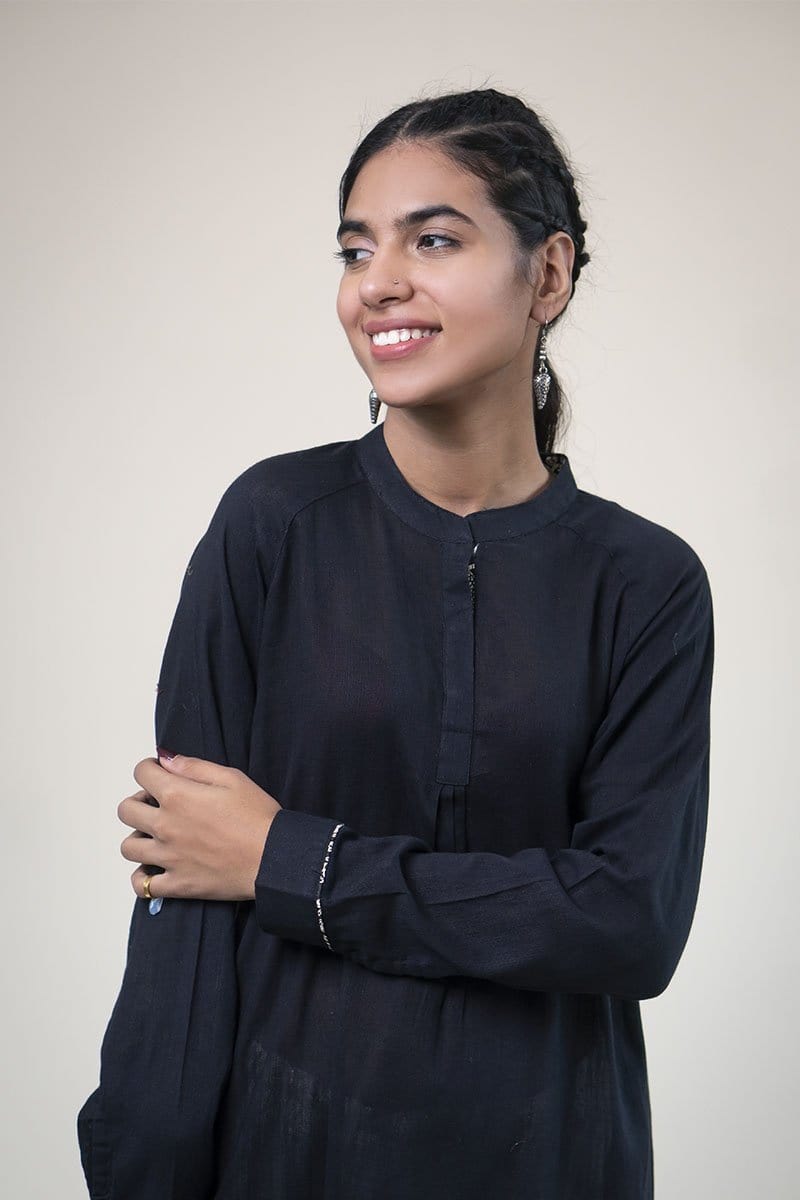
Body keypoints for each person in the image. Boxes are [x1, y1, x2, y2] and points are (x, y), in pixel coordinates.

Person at [77, 87, 714, 1199]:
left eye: (434, 239)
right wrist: (145, 1166)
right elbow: (183, 902)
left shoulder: (645, 584)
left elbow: (628, 923)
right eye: (355, 248)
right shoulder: (273, 526)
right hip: (283, 1156)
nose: (377, 282)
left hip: (552, 1162)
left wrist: (289, 862)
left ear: (548, 275)